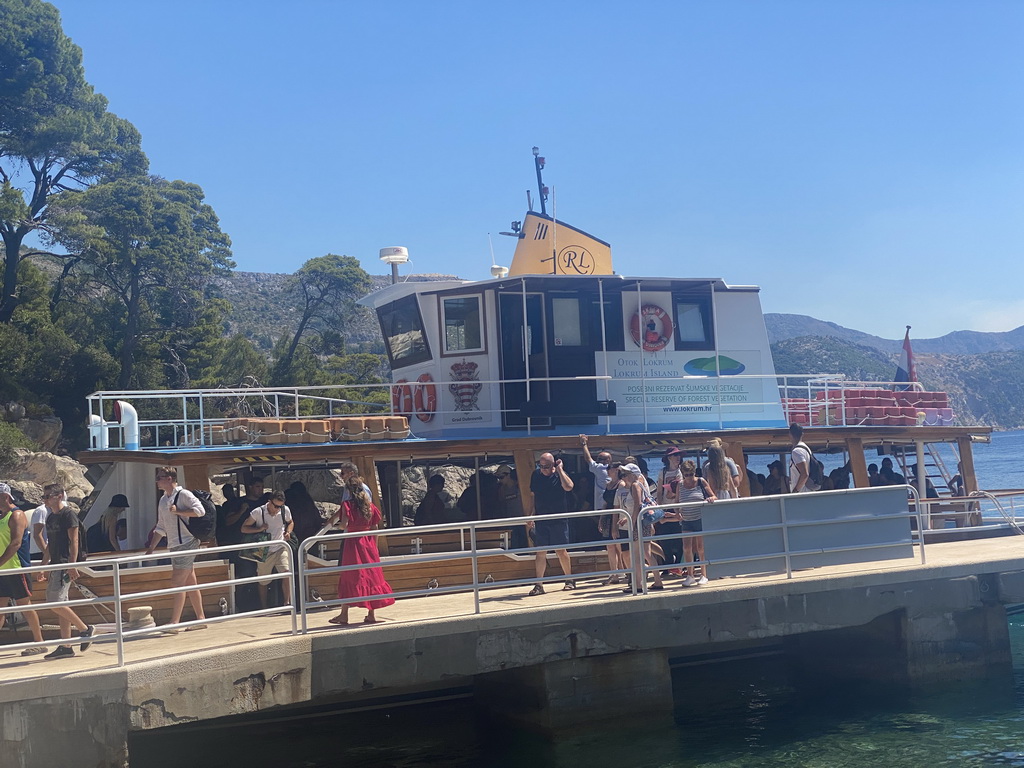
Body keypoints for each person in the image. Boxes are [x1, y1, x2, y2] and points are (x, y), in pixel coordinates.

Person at [144, 467, 208, 632]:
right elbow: (161, 526)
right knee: (190, 582)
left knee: (177, 582)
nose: (157, 480)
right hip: (174, 545)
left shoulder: (184, 494)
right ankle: (200, 618)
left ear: (170, 478)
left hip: (187, 542)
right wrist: (151, 547)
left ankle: (175, 622)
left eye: (160, 477)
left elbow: (200, 511)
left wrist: (178, 511)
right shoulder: (163, 500)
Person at [328, 475, 394, 625]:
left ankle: (344, 615)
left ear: (349, 490)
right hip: (368, 543)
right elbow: (375, 526)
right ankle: (371, 614)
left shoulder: (347, 505)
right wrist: (374, 546)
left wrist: (337, 526)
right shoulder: (370, 506)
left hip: (353, 543)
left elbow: (344, 524)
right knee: (371, 576)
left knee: (349, 576)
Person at [40, 483, 94, 659]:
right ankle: (66, 645)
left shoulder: (68, 514)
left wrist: (72, 565)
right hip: (55, 564)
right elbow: (49, 545)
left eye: (48, 496)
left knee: (54, 602)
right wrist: (43, 566)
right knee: (61, 603)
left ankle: (85, 629)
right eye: (44, 496)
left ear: (59, 496)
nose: (45, 499)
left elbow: (74, 541)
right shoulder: (50, 518)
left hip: (64, 564)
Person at [0, 483, 47, 656]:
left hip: (16, 567)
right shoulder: (2, 516)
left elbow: (16, 543)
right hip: (4, 570)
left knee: (24, 605)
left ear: (5, 497)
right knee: (1, 607)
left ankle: (39, 641)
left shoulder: (17, 515)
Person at [218, 474, 269, 612]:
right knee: (246, 573)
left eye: (262, 487)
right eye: (258, 487)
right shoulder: (238, 503)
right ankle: (237, 601)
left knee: (262, 575)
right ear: (250, 488)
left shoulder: (264, 504)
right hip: (241, 545)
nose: (260, 490)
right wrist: (241, 511)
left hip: (260, 545)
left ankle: (263, 604)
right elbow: (228, 522)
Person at [527, 452, 574, 595]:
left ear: (553, 464)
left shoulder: (559, 475)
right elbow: (533, 496)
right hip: (542, 518)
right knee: (540, 552)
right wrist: (531, 515)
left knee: (561, 551)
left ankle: (569, 580)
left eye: (546, 466)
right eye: (540, 466)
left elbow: (569, 487)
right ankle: (539, 585)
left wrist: (560, 470)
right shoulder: (536, 475)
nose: (543, 469)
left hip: (558, 519)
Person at [616, 463, 667, 591]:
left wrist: (632, 523)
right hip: (643, 522)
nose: (624, 477)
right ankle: (657, 581)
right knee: (647, 554)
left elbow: (638, 505)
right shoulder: (640, 484)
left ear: (633, 475)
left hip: (639, 523)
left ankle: (638, 584)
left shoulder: (634, 485)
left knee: (637, 555)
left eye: (626, 474)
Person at [241, 490, 294, 609]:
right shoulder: (258, 512)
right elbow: (244, 528)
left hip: (281, 547)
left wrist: (288, 532)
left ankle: (287, 603)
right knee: (263, 581)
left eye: (280, 506)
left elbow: (290, 522)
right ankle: (264, 606)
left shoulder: (285, 510)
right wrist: (259, 529)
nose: (277, 509)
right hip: (264, 551)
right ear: (269, 502)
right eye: (275, 506)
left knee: (287, 573)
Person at [676, 460, 716, 586]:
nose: (688, 477)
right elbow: (677, 501)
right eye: (686, 474)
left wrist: (710, 498)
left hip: (699, 518)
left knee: (700, 547)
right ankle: (690, 574)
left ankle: (704, 574)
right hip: (686, 520)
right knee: (687, 548)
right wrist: (677, 512)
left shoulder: (701, 481)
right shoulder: (680, 485)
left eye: (690, 474)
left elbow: (714, 496)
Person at [655, 448, 684, 576]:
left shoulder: (682, 470)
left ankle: (679, 565)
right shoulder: (663, 471)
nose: (677, 457)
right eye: (674, 455)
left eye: (678, 455)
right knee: (664, 538)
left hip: (677, 507)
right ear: (668, 458)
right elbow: (659, 491)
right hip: (665, 507)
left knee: (679, 538)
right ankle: (668, 565)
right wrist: (660, 508)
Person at [788, 423, 818, 493]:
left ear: (790, 434)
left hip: (802, 493)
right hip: (809, 490)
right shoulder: (806, 449)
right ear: (802, 434)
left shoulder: (797, 451)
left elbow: (804, 474)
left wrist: (795, 490)